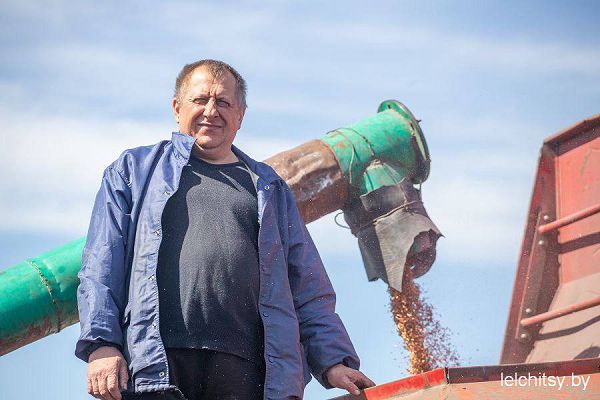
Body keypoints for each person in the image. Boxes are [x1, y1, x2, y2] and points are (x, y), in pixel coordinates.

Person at [75, 59, 374, 400]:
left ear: (240, 116)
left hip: (247, 370)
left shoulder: (269, 187)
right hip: (156, 364)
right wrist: (102, 344)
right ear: (177, 108)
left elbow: (306, 283)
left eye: (223, 102)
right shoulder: (134, 171)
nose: (211, 111)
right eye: (200, 100)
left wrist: (333, 361)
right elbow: (102, 263)